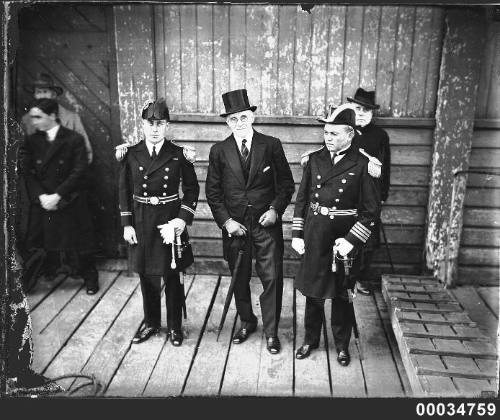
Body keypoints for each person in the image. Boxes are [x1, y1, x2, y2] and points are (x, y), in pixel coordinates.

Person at [206, 89, 295, 355]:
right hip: (236, 227)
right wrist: (227, 222)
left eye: (243, 117)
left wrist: (275, 210)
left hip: (266, 225)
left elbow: (286, 185)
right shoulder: (219, 151)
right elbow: (213, 193)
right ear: (227, 122)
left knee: (272, 277)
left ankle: (271, 332)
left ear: (252, 117)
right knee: (239, 276)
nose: (239, 123)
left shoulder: (271, 145)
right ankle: (247, 321)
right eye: (233, 119)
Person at [292, 104, 381, 366]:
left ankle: (342, 345)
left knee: (342, 293)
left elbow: (371, 212)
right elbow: (302, 199)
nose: (327, 138)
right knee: (313, 292)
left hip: (343, 238)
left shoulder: (364, 164)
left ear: (350, 134)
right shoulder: (314, 159)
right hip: (315, 234)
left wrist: (351, 241)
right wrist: (298, 233)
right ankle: (310, 339)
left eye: (333, 133)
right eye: (325, 132)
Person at [117, 98, 199, 346]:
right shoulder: (131, 154)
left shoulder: (178, 154)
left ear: (167, 125)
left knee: (173, 277)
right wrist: (127, 224)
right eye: (150, 123)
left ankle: (175, 327)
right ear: (142, 124)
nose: (155, 128)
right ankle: (151, 323)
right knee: (147, 276)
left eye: (160, 123)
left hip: (170, 223)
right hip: (141, 222)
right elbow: (123, 190)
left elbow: (192, 190)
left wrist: (182, 220)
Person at [17, 98, 99, 295]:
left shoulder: (73, 139)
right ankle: (32, 280)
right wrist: (42, 197)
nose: (34, 121)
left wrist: (58, 195)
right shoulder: (32, 141)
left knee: (81, 245)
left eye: (38, 117)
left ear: (53, 116)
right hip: (44, 201)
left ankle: (90, 279)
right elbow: (27, 171)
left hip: (70, 199)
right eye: (32, 117)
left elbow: (79, 171)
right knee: (36, 243)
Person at [347, 88, 391, 295]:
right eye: (358, 108)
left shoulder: (380, 136)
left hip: (369, 196)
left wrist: (381, 196)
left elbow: (385, 168)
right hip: (346, 194)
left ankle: (360, 277)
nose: (362, 113)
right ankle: (343, 277)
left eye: (366, 110)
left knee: (368, 240)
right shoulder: (344, 130)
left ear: (373, 113)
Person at [22, 73, 93, 163]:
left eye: (45, 92)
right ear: (34, 95)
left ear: (53, 95)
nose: (42, 96)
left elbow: (86, 153)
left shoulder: (72, 118)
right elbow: (23, 154)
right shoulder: (26, 120)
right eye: (39, 92)